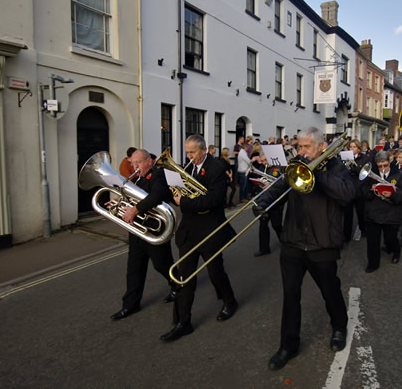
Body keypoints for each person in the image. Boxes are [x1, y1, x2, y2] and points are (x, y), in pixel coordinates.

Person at [254, 126, 355, 370]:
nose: (301, 151)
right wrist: (263, 203)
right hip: (293, 241)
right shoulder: (295, 165)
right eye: (299, 146)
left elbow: (348, 194)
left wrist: (316, 172)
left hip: (322, 243)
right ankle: (288, 345)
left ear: (321, 147)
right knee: (290, 296)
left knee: (330, 291)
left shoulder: (336, 167)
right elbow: (278, 187)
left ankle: (339, 327)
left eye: (306, 147)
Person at [160, 135, 238, 342]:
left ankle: (229, 301)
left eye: (192, 152)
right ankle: (183, 322)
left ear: (204, 150)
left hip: (209, 230)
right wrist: (173, 193)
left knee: (215, 272)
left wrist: (183, 201)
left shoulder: (216, 168)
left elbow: (213, 200)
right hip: (188, 231)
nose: (189, 156)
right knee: (185, 277)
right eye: (187, 152)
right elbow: (181, 194)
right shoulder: (188, 168)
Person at [111, 149, 176, 321]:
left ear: (149, 161)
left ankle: (178, 284)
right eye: (133, 163)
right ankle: (130, 305)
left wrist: (135, 209)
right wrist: (118, 203)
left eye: (138, 163)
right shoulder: (136, 178)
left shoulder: (158, 174)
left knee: (162, 264)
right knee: (134, 269)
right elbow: (131, 198)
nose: (135, 166)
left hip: (154, 229)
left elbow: (156, 196)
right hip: (137, 231)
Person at [362, 151, 402, 272]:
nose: (383, 168)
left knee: (390, 238)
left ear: (390, 163)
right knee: (372, 241)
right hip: (373, 213)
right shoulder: (370, 177)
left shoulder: (399, 175)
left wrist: (392, 194)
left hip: (391, 214)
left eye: (385, 165)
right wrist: (370, 189)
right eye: (379, 166)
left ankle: (396, 251)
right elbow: (361, 192)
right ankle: (373, 264)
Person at [250, 153, 283, 256]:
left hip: (276, 200)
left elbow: (281, 184)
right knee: (263, 224)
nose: (264, 163)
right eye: (262, 161)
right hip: (265, 200)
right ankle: (264, 249)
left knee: (276, 224)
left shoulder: (278, 168)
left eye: (265, 160)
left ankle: (286, 242)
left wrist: (270, 185)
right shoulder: (263, 168)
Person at [343, 139, 371, 242]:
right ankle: (346, 235)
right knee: (347, 214)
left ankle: (363, 229)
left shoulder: (364, 158)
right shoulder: (345, 158)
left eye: (354, 147)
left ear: (358, 149)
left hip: (359, 189)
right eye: (350, 147)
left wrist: (354, 168)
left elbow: (364, 173)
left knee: (361, 212)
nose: (352, 149)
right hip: (348, 189)